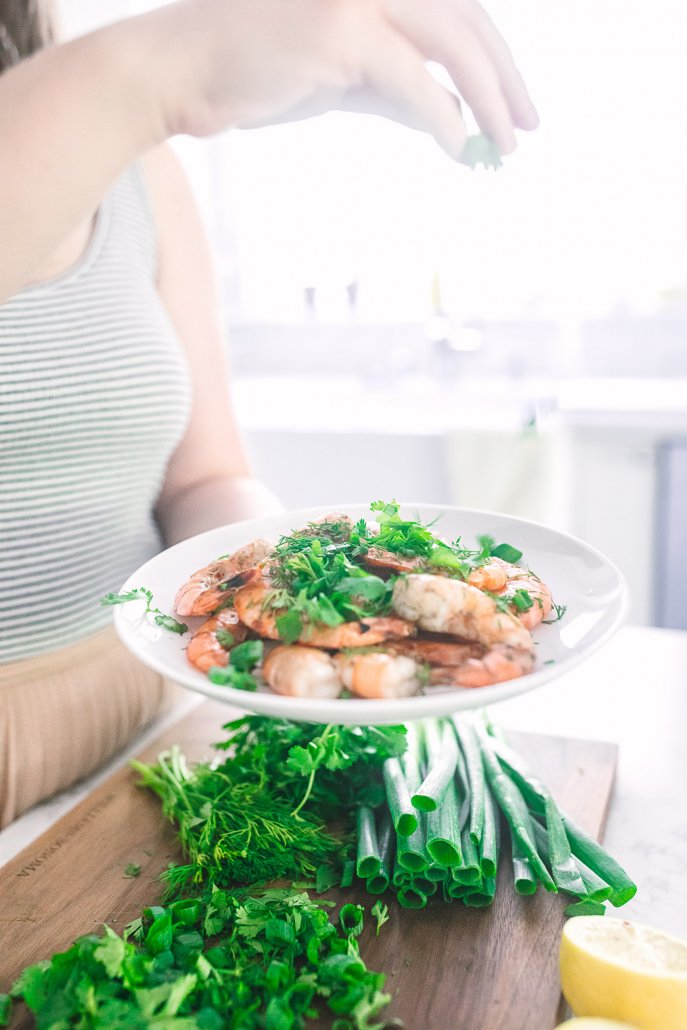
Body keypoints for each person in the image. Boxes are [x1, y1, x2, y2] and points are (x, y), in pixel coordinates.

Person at [0, 0, 538, 827]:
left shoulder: (141, 164)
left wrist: (284, 574)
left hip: (153, 731)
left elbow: (207, 477)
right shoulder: (132, 95)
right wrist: (162, 67)